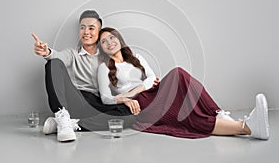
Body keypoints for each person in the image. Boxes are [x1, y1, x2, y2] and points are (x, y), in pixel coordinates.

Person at [97, 27, 270, 140]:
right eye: (103, 41)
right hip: (142, 104)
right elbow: (105, 98)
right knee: (187, 116)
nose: (109, 42)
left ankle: (219, 113)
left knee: (178, 73)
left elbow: (151, 78)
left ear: (119, 39)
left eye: (112, 37)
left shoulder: (137, 58)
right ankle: (245, 127)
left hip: (153, 92)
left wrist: (137, 88)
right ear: (101, 48)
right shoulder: (103, 68)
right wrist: (127, 97)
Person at [31, 10, 136, 142]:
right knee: (53, 63)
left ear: (99, 32)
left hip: (97, 104)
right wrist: (46, 52)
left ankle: (71, 124)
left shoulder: (107, 56)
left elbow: (118, 84)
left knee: (130, 116)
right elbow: (56, 57)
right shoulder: (72, 54)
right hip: (77, 99)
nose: (86, 32)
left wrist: (130, 96)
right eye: (82, 28)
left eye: (91, 28)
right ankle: (61, 115)